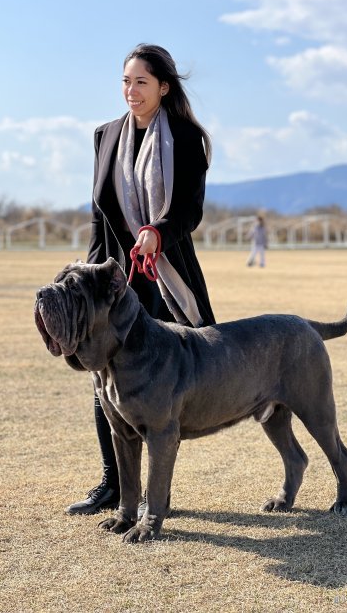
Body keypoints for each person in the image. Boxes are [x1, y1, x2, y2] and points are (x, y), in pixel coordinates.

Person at [66, 44, 216, 515]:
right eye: (126, 82)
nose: (131, 91)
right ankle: (113, 484)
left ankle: (157, 495)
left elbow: (189, 210)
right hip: (112, 276)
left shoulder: (187, 139)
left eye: (141, 83)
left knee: (163, 385)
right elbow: (98, 211)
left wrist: (158, 233)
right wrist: (90, 273)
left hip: (163, 271)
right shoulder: (105, 135)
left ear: (163, 87)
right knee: (102, 374)